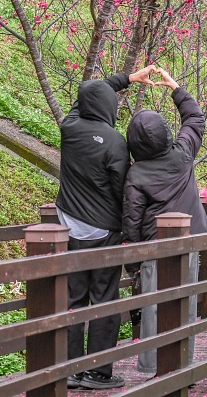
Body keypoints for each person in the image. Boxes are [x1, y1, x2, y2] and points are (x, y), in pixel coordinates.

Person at [55, 65, 156, 390]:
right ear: (108, 107)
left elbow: (88, 93)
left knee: (73, 299)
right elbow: (120, 191)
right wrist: (130, 230)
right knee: (104, 299)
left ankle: (70, 370)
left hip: (68, 226)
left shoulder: (68, 126)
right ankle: (97, 373)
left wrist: (126, 79)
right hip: (102, 232)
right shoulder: (115, 142)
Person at [122, 68, 207, 376]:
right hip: (188, 243)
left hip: (153, 248)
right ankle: (183, 362)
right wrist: (175, 87)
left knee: (152, 306)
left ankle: (150, 366)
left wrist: (131, 258)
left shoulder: (136, 174)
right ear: (165, 134)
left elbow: (132, 218)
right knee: (186, 302)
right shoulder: (183, 153)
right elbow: (195, 119)